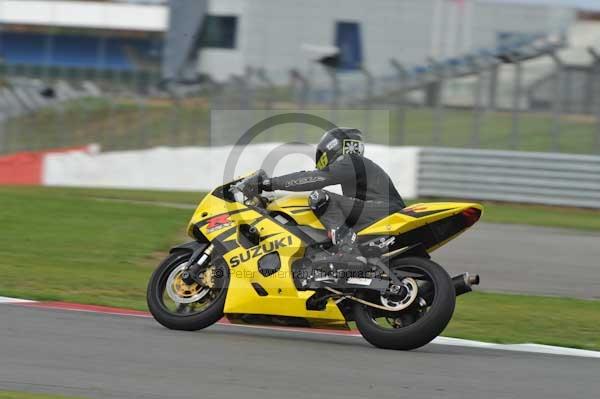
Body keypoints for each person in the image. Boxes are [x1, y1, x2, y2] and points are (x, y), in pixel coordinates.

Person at [248, 127, 406, 258]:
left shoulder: (352, 161)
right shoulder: (358, 166)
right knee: (336, 219)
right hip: (378, 211)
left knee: (320, 197)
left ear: (333, 147)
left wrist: (269, 183)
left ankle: (347, 251)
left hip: (383, 210)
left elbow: (314, 178)